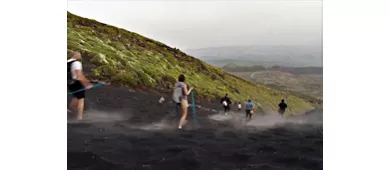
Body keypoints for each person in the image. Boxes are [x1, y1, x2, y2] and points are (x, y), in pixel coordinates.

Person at [67, 51, 92, 120]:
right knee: (81, 99)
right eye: (79, 56)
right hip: (76, 82)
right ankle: (79, 117)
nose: (80, 57)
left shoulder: (67, 62)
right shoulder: (77, 63)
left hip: (69, 83)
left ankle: (70, 109)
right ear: (76, 56)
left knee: (76, 96)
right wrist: (86, 83)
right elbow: (79, 75)